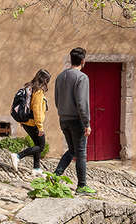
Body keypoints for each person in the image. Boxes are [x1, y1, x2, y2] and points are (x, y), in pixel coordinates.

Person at [53, 47, 96, 195]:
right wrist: (87, 123)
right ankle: (82, 186)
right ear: (83, 61)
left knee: (72, 150)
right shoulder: (81, 77)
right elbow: (82, 103)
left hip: (63, 119)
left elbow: (57, 100)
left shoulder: (60, 77)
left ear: (71, 59)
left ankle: (55, 176)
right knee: (81, 153)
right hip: (76, 120)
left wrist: (63, 113)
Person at [10, 69, 51, 177]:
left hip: (26, 122)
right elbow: (37, 110)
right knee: (41, 146)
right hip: (33, 123)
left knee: (37, 144)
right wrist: (40, 127)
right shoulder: (38, 91)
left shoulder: (29, 87)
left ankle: (36, 168)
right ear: (45, 80)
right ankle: (18, 156)